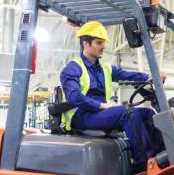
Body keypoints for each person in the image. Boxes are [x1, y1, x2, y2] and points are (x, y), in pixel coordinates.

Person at [60, 21, 165, 165]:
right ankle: (146, 162)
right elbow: (74, 97)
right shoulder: (72, 68)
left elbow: (128, 75)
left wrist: (150, 77)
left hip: (99, 113)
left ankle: (163, 158)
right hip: (81, 115)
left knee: (149, 114)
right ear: (85, 43)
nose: (103, 46)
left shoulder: (106, 68)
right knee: (126, 113)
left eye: (103, 43)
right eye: (98, 42)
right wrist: (103, 105)